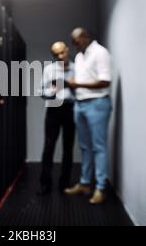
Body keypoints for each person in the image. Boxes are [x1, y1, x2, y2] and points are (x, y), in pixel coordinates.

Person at [65, 28, 112, 205]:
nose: (74, 45)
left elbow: (105, 81)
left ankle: (100, 187)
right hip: (80, 104)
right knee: (85, 146)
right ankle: (85, 184)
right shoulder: (78, 57)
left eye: (76, 41)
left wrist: (77, 84)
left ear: (85, 37)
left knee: (98, 146)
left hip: (97, 103)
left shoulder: (101, 53)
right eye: (73, 42)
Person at [37, 41, 76, 196]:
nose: (60, 56)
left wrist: (74, 87)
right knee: (48, 147)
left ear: (67, 50)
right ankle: (45, 184)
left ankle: (64, 183)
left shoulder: (77, 69)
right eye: (56, 54)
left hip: (70, 109)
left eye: (62, 52)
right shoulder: (49, 70)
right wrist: (52, 91)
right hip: (53, 109)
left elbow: (82, 91)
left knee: (68, 148)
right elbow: (40, 91)